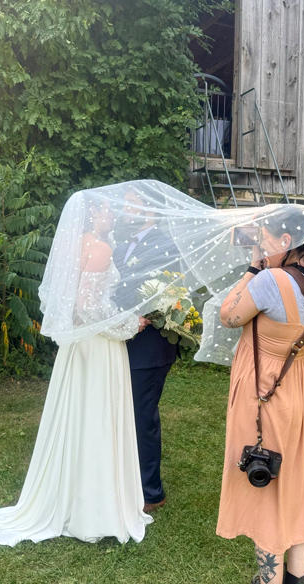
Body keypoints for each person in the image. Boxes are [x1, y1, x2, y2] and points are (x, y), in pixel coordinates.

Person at [0, 191, 152, 546]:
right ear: (94, 215)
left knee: (79, 415)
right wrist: (129, 323)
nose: (113, 217)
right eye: (108, 211)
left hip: (78, 346)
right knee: (98, 416)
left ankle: (75, 496)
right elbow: (88, 306)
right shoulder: (102, 249)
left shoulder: (75, 245)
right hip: (98, 346)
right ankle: (97, 509)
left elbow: (73, 303)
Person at [214, 206, 304, 584]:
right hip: (303, 394)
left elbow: (228, 315)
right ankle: (295, 583)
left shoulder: (269, 281)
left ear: (286, 243)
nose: (261, 244)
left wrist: (252, 268)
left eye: (265, 238)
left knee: (266, 485)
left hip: (269, 396)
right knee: (298, 482)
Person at [115, 186, 182, 512]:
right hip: (121, 343)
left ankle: (151, 492)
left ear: (150, 210)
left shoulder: (164, 244)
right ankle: (125, 480)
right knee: (124, 415)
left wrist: (138, 317)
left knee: (143, 419)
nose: (125, 210)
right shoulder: (121, 247)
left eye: (132, 205)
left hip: (149, 348)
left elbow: (169, 291)